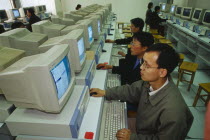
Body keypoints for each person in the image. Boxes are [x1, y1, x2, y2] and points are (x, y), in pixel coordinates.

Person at [90, 43, 194, 140]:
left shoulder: (173, 111)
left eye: (147, 65)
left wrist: (133, 137)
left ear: (162, 72)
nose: (141, 67)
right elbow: (130, 90)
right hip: (142, 129)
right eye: (143, 62)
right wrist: (106, 92)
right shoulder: (151, 82)